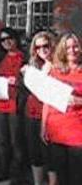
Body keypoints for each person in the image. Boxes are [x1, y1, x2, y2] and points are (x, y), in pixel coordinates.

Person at [42, 32, 82, 185]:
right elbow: (47, 100)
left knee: (76, 177)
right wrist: (43, 126)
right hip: (56, 130)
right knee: (61, 175)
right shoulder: (55, 71)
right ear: (62, 50)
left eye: (75, 46)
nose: (72, 50)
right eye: (68, 47)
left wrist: (78, 100)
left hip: (77, 133)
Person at [21, 31, 57, 185]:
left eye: (46, 46)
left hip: (51, 114)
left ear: (52, 46)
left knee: (49, 153)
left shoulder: (59, 66)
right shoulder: (31, 66)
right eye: (38, 47)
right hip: (32, 113)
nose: (42, 49)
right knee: (34, 151)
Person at [0, 28, 25, 184]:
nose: (6, 42)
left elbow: (32, 81)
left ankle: (17, 174)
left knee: (16, 141)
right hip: (0, 104)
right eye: (3, 40)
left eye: (9, 38)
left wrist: (19, 82)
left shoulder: (25, 58)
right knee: (2, 140)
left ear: (16, 38)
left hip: (15, 104)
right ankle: (3, 170)